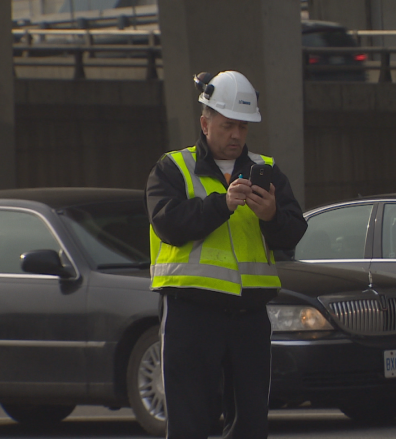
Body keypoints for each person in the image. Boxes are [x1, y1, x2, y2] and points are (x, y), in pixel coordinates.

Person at [145, 70, 307, 439]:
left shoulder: (266, 170)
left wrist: (271, 216)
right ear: (206, 123)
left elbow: (294, 230)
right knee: (190, 423)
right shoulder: (172, 168)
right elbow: (168, 224)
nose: (236, 135)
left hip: (249, 315)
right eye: (228, 125)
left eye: (244, 127)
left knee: (250, 424)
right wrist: (222, 205)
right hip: (191, 311)